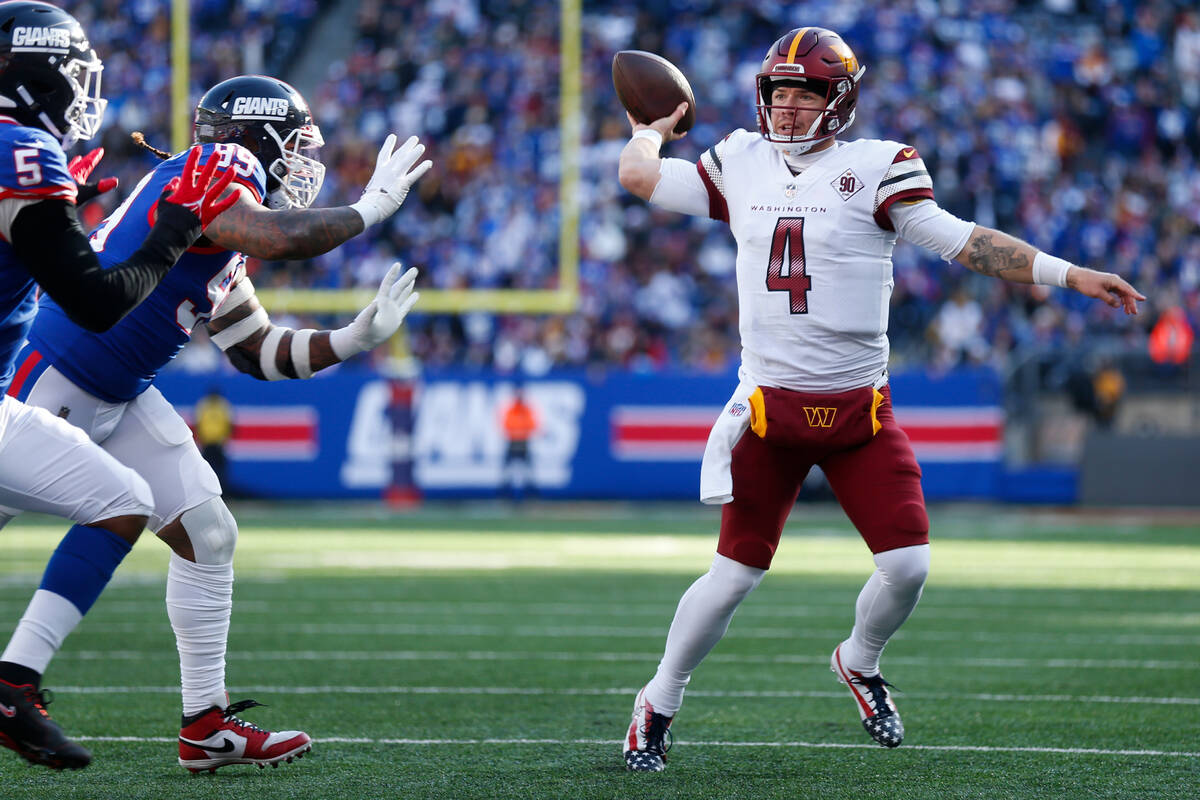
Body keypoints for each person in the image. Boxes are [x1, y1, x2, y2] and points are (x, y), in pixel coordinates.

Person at [616, 26, 1144, 772]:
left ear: (841, 101)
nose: (788, 108)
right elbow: (640, 179)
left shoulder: (878, 168)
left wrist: (1069, 274)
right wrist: (645, 132)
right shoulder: (738, 160)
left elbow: (963, 241)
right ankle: (657, 704)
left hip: (859, 415)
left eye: (805, 93)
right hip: (769, 411)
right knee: (734, 575)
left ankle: (858, 661)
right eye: (778, 92)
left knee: (910, 567)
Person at [2, 73, 431, 773]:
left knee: (207, 532)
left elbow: (261, 354)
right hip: (53, 379)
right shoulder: (218, 168)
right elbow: (270, 236)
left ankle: (205, 724)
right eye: (292, 146)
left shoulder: (218, 228)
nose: (300, 164)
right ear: (254, 136)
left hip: (115, 392)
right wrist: (369, 210)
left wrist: (354, 337)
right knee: (104, 510)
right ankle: (13, 682)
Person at [0, 1, 235, 771]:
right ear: (32, 73)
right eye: (71, 74)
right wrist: (173, 228)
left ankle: (12, 684)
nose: (80, 92)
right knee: (124, 500)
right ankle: (12, 684)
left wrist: (64, 221)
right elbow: (98, 302)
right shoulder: (23, 152)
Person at [500, 386, 538, 501]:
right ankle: (504, 494)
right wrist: (519, 430)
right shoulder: (511, 410)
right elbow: (507, 425)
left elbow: (532, 425)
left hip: (523, 442)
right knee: (507, 470)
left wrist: (520, 430)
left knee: (528, 470)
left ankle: (530, 494)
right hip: (513, 442)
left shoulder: (527, 410)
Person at [193, 387, 234, 493]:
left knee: (219, 470)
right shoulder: (208, 405)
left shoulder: (220, 405)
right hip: (208, 443)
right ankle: (207, 491)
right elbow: (198, 424)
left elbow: (229, 425)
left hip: (218, 443)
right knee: (206, 469)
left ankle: (221, 491)